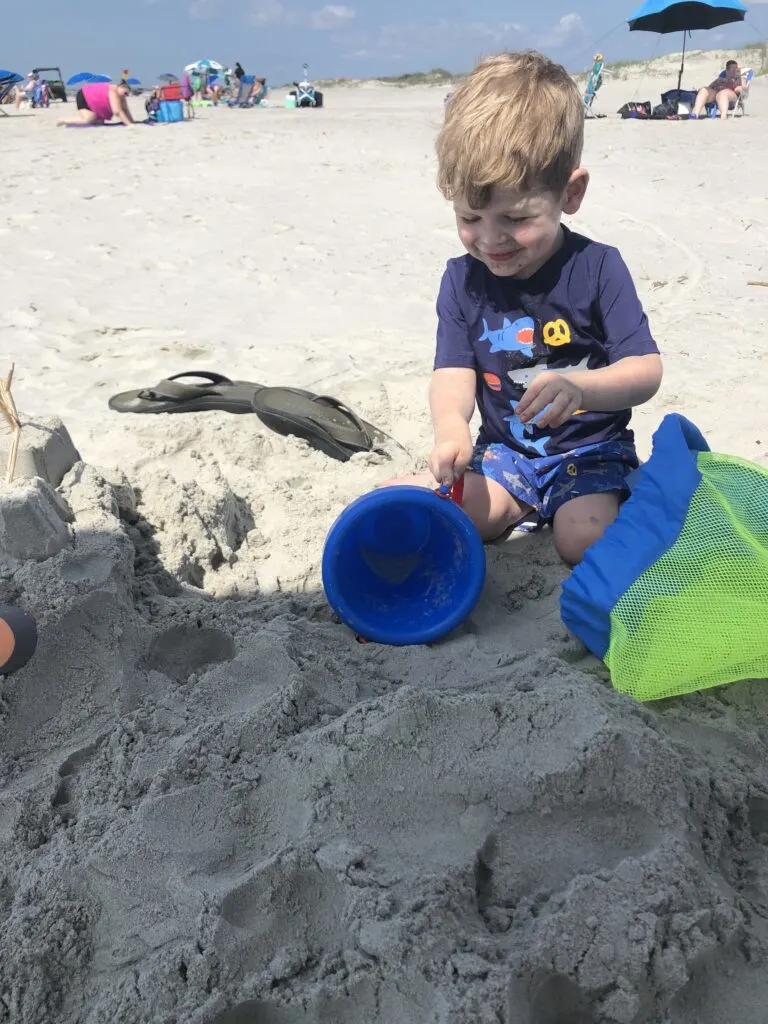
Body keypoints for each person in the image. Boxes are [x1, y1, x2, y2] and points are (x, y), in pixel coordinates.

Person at [383, 51, 663, 566]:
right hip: (506, 455)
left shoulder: (599, 268)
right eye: (470, 217)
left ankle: (639, 503)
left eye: (515, 217)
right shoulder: (461, 279)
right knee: (436, 510)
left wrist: (583, 387)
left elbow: (646, 372)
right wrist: (451, 427)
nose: (490, 240)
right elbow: (453, 369)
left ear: (570, 193)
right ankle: (514, 505)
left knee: (579, 540)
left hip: (591, 452)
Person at [57, 80, 135, 126]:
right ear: (121, 87)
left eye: (127, 94)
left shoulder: (120, 95)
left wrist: (132, 122)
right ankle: (63, 120)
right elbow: (117, 111)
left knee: (99, 122)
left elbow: (125, 109)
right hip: (84, 96)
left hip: (92, 100)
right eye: (125, 93)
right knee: (88, 120)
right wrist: (129, 125)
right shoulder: (113, 92)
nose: (126, 96)